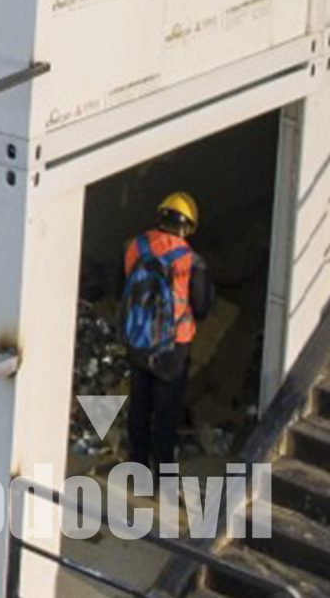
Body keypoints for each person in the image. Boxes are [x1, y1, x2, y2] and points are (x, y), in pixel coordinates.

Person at [122, 192, 213, 470]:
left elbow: (122, 288)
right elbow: (201, 306)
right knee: (166, 411)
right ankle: (162, 472)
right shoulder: (192, 261)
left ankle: (137, 464)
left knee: (139, 405)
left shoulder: (134, 246)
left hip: (138, 340)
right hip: (173, 347)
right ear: (187, 226)